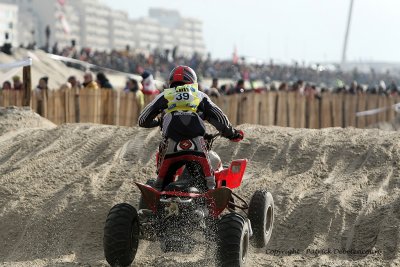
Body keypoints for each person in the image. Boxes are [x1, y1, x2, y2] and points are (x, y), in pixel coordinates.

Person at [138, 65, 242, 191]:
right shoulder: (199, 95)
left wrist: (158, 121)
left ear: (171, 81)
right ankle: (210, 190)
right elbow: (220, 118)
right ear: (192, 80)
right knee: (210, 184)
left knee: (160, 185)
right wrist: (232, 133)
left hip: (171, 144)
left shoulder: (165, 95)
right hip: (198, 144)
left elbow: (142, 120)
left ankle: (160, 193)